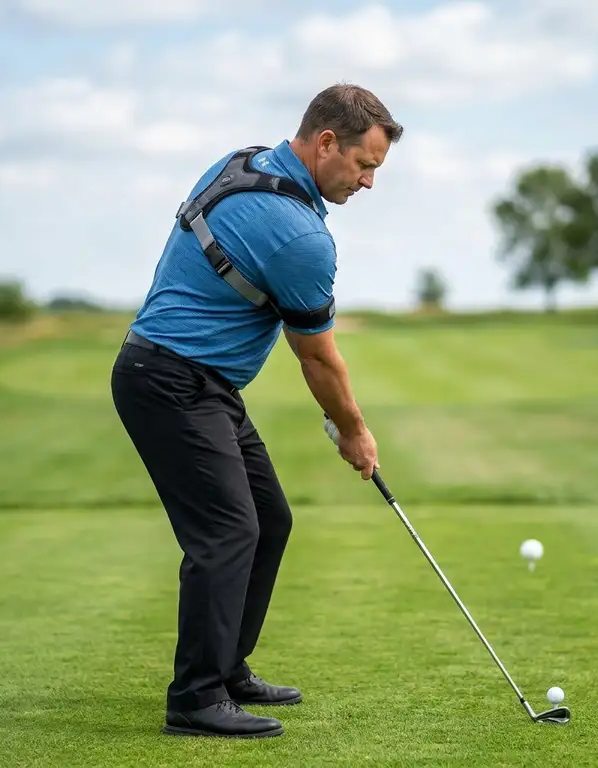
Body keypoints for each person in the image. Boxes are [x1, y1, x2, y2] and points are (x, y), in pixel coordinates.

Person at [110, 83, 404, 739]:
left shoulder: (241, 162)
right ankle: (195, 697)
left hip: (193, 380)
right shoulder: (300, 235)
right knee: (227, 532)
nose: (368, 182)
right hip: (170, 380)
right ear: (327, 143)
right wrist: (354, 431)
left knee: (267, 519)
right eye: (365, 165)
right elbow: (319, 360)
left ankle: (226, 666)